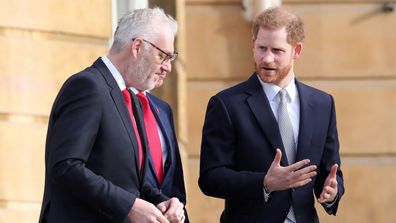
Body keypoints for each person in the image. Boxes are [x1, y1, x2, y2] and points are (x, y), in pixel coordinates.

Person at [39, 7, 186, 223]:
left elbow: (127, 178)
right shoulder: (88, 86)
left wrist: (163, 202)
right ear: (137, 46)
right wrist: (129, 206)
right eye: (163, 56)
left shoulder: (131, 97)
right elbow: (65, 166)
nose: (168, 68)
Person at [198, 6, 344, 223]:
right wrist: (265, 183)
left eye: (277, 51)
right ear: (253, 45)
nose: (266, 59)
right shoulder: (226, 104)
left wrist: (332, 192)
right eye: (261, 48)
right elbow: (211, 178)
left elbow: (330, 171)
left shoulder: (323, 104)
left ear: (297, 50)